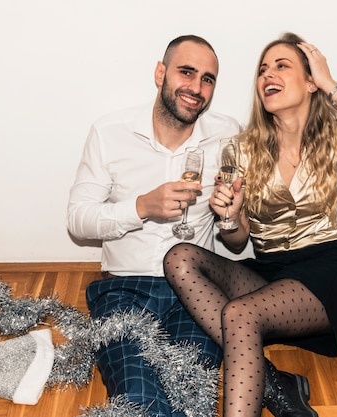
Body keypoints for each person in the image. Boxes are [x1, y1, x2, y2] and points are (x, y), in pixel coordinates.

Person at [163, 32, 337, 417]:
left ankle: (268, 385)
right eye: (262, 69)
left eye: (281, 66)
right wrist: (231, 216)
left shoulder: (332, 136)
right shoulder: (241, 148)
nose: (267, 74)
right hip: (269, 271)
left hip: (325, 268)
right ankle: (276, 384)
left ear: (309, 82)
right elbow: (238, 242)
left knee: (238, 314)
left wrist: (330, 84)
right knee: (179, 258)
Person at [66, 35, 241, 416]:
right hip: (123, 289)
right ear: (161, 72)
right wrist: (141, 207)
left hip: (195, 291)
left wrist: (229, 214)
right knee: (140, 399)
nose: (196, 88)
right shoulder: (110, 132)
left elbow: (238, 235)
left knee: (192, 400)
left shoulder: (228, 136)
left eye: (208, 79)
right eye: (187, 72)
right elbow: (78, 220)